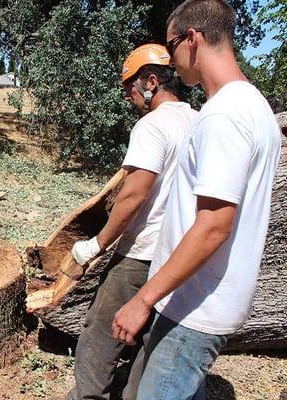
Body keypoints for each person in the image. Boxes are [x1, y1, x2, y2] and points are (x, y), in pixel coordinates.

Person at [112, 1, 282, 399]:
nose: (171, 61)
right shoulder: (255, 106)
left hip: (196, 306)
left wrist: (142, 299)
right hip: (205, 298)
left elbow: (213, 227)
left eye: (171, 47)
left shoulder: (223, 116)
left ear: (192, 39)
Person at [65, 44, 198, 400]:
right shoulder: (198, 120)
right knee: (152, 339)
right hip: (183, 252)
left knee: (101, 331)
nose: (127, 96)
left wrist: (96, 244)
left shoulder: (152, 125)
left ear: (151, 81)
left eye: (129, 87)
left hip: (143, 253)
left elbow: (135, 195)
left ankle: (88, 397)